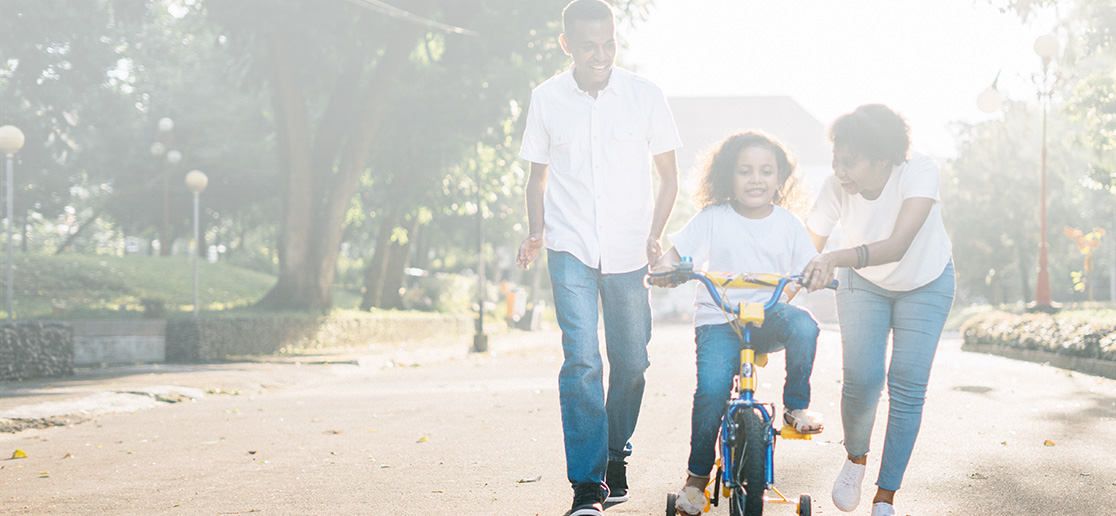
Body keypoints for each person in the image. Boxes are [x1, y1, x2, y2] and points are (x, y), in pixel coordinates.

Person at [515, 1, 682, 514]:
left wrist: (656, 234)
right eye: (589, 46)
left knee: (632, 362)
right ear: (567, 45)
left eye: (609, 43)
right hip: (569, 248)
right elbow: (537, 176)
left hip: (630, 249)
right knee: (583, 359)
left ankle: (615, 452)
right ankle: (587, 485)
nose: (601, 54)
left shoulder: (645, 95)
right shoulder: (546, 99)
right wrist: (536, 231)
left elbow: (669, 176)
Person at [650, 131, 823, 516]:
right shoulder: (713, 218)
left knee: (805, 326)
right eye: (745, 171)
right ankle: (696, 480)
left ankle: (796, 406)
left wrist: (817, 274)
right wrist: (665, 269)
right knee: (711, 391)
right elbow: (676, 255)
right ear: (729, 176)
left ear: (780, 179)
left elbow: (810, 265)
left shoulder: (789, 223)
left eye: (766, 171)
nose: (756, 179)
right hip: (719, 320)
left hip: (768, 316)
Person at [801, 104, 955, 516]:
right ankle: (855, 459)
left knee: (907, 385)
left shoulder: (919, 171)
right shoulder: (835, 187)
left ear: (883, 158)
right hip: (862, 281)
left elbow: (899, 244)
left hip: (926, 282)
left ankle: (885, 496)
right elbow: (804, 247)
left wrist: (833, 257)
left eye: (849, 162)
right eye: (836, 159)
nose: (839, 170)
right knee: (863, 378)